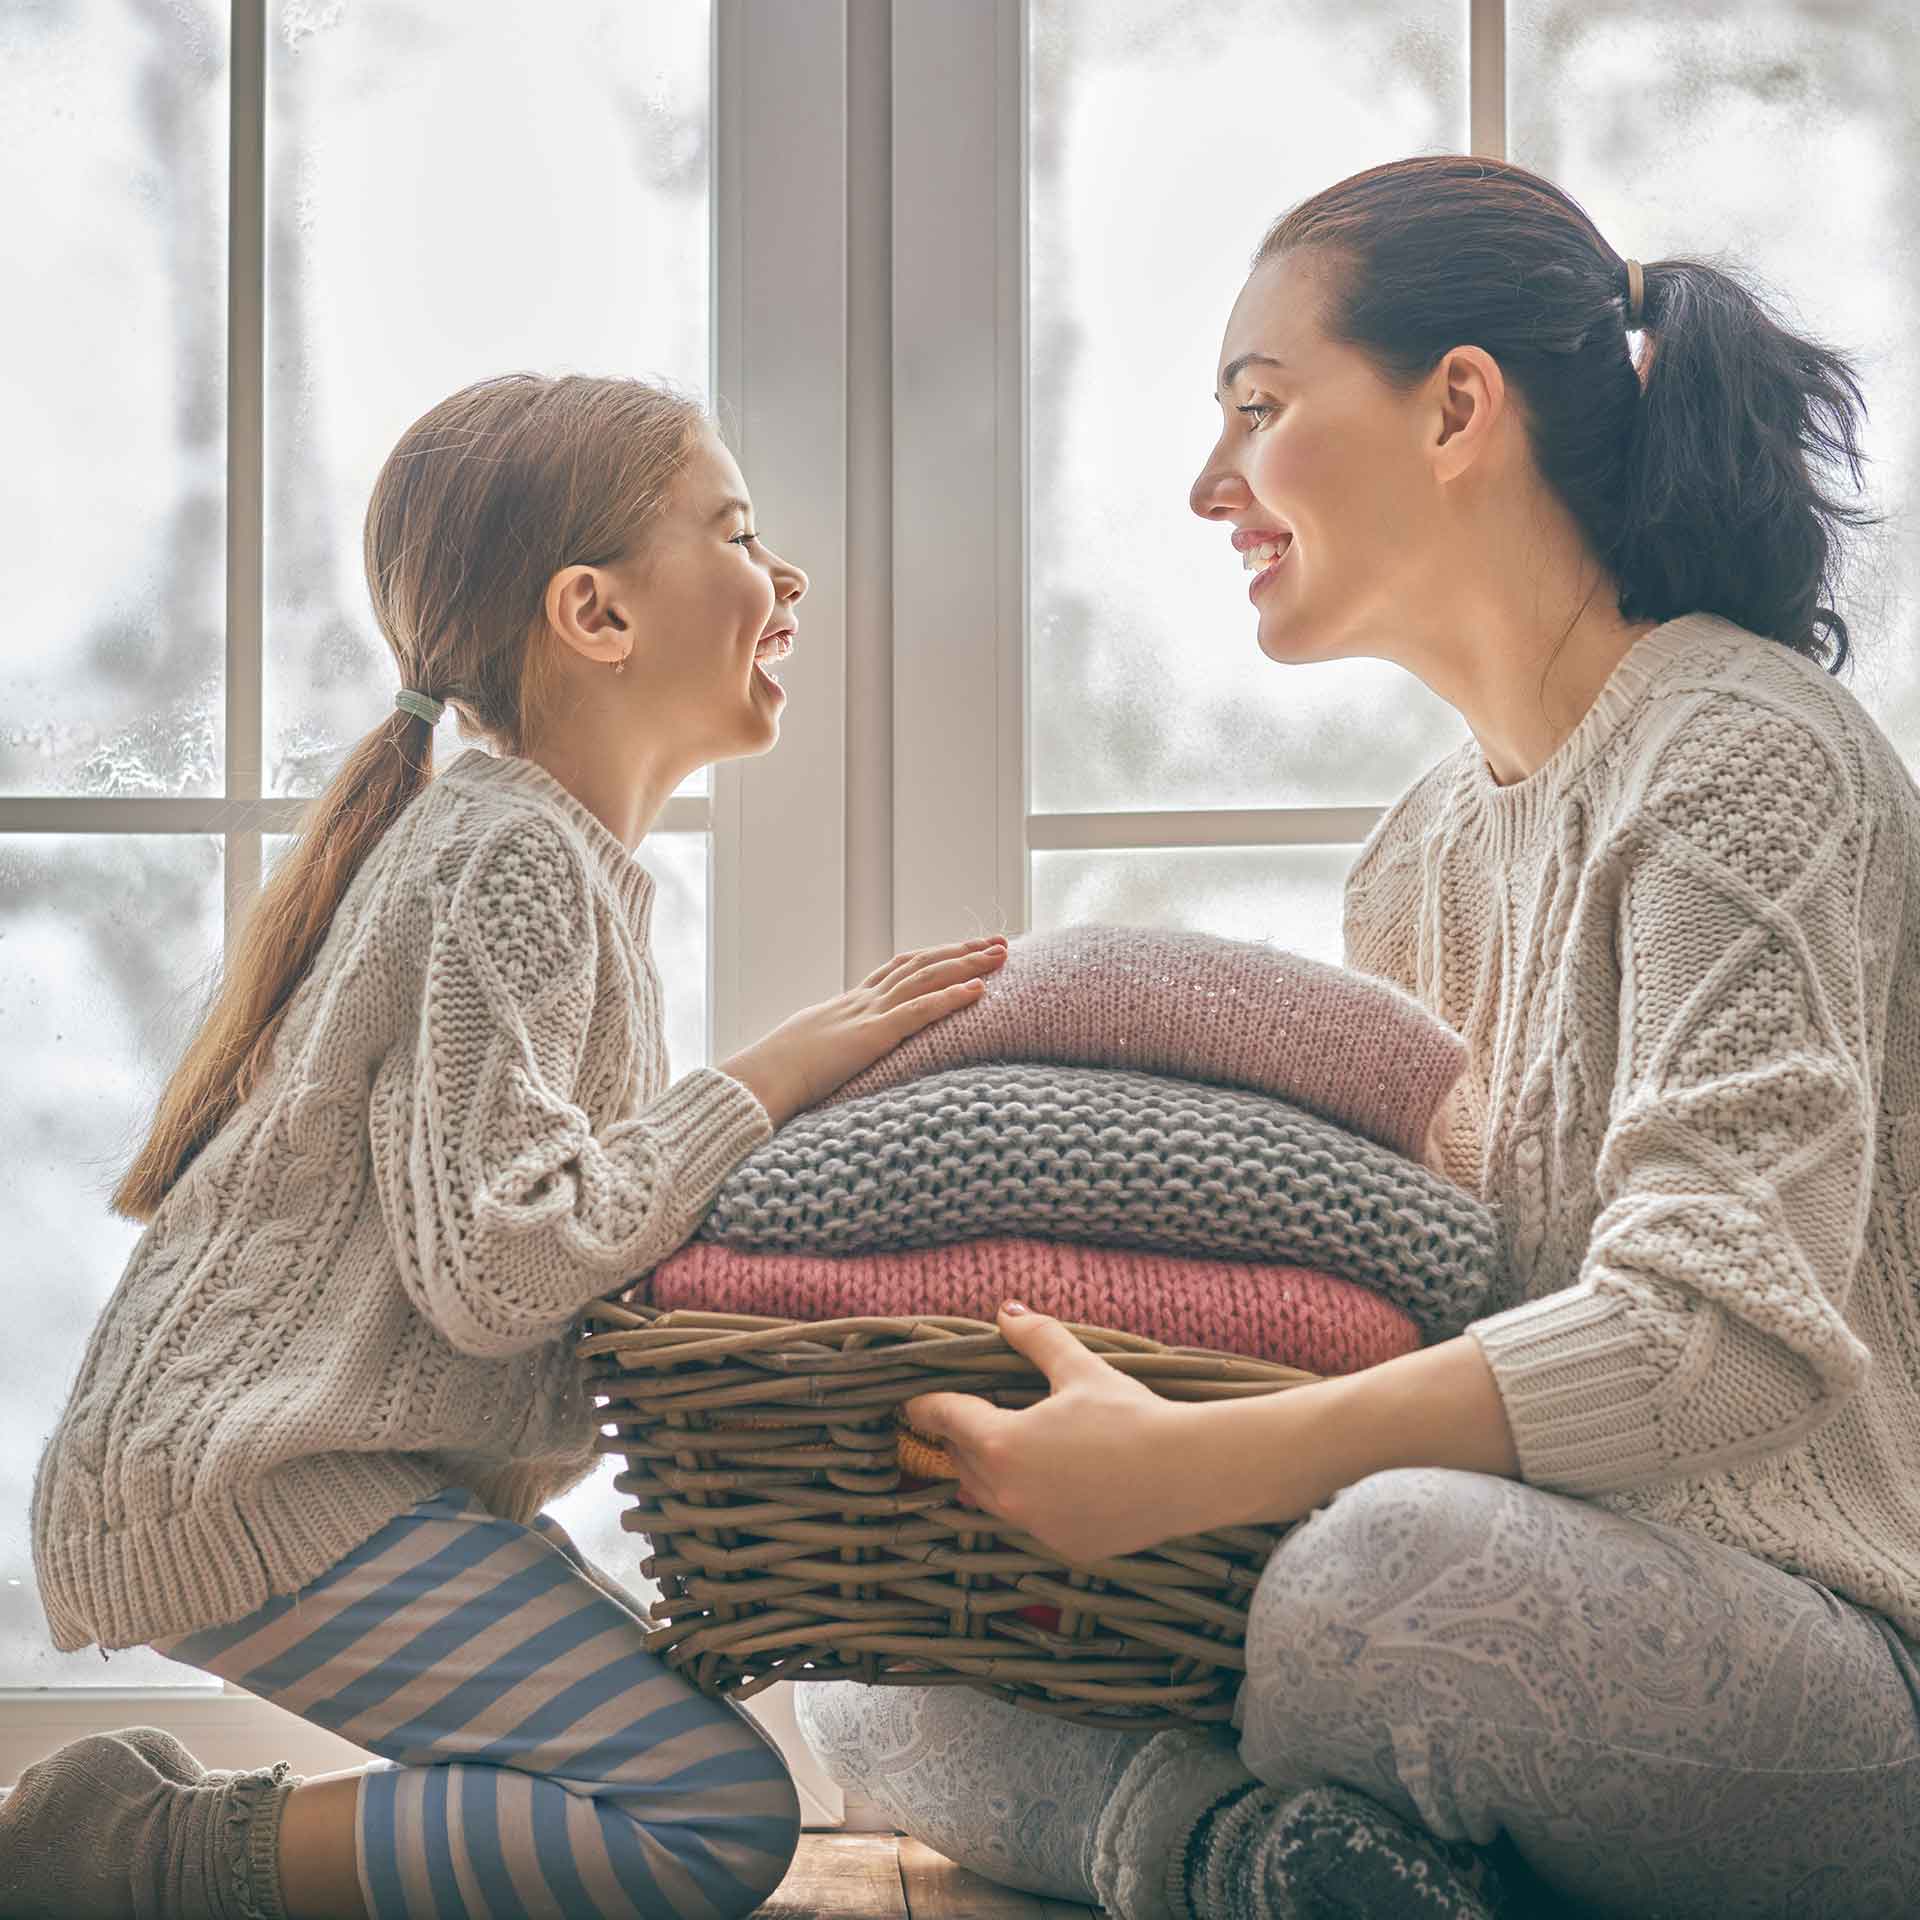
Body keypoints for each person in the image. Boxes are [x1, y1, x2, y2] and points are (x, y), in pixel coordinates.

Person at [796, 152, 1920, 1920]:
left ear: (1458, 407)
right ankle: (1258, 1860)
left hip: (1835, 1663)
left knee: (1368, 1584)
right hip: (1503, 1608)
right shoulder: (1422, 858)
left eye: (1259, 406)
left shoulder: (1746, 760)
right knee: (859, 1667)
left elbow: (1718, 1343)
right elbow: (1447, 1304)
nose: (1209, 484)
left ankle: (1224, 1830)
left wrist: (1194, 1471)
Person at [0, 370, 1009, 1920]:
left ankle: (139, 1832)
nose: (785, 575)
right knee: (710, 1817)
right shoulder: (516, 853)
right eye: (737, 531)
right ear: (595, 615)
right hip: (247, 1481)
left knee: (704, 1782)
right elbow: (502, 1260)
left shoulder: (546, 856)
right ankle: (130, 1859)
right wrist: (773, 1075)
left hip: (295, 1470)